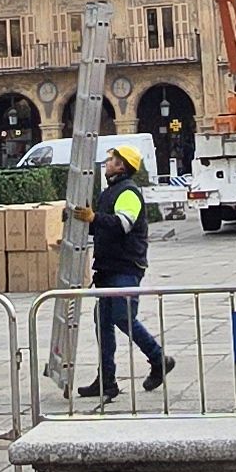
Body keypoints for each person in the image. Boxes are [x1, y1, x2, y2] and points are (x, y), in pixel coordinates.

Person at [72, 146, 171, 398]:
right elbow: (104, 227)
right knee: (102, 321)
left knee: (122, 316)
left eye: (112, 160)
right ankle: (106, 380)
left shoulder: (128, 192)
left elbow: (121, 225)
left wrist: (93, 218)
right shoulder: (110, 193)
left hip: (126, 266)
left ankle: (159, 358)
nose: (107, 162)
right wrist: (81, 221)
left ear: (122, 166)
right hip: (108, 267)